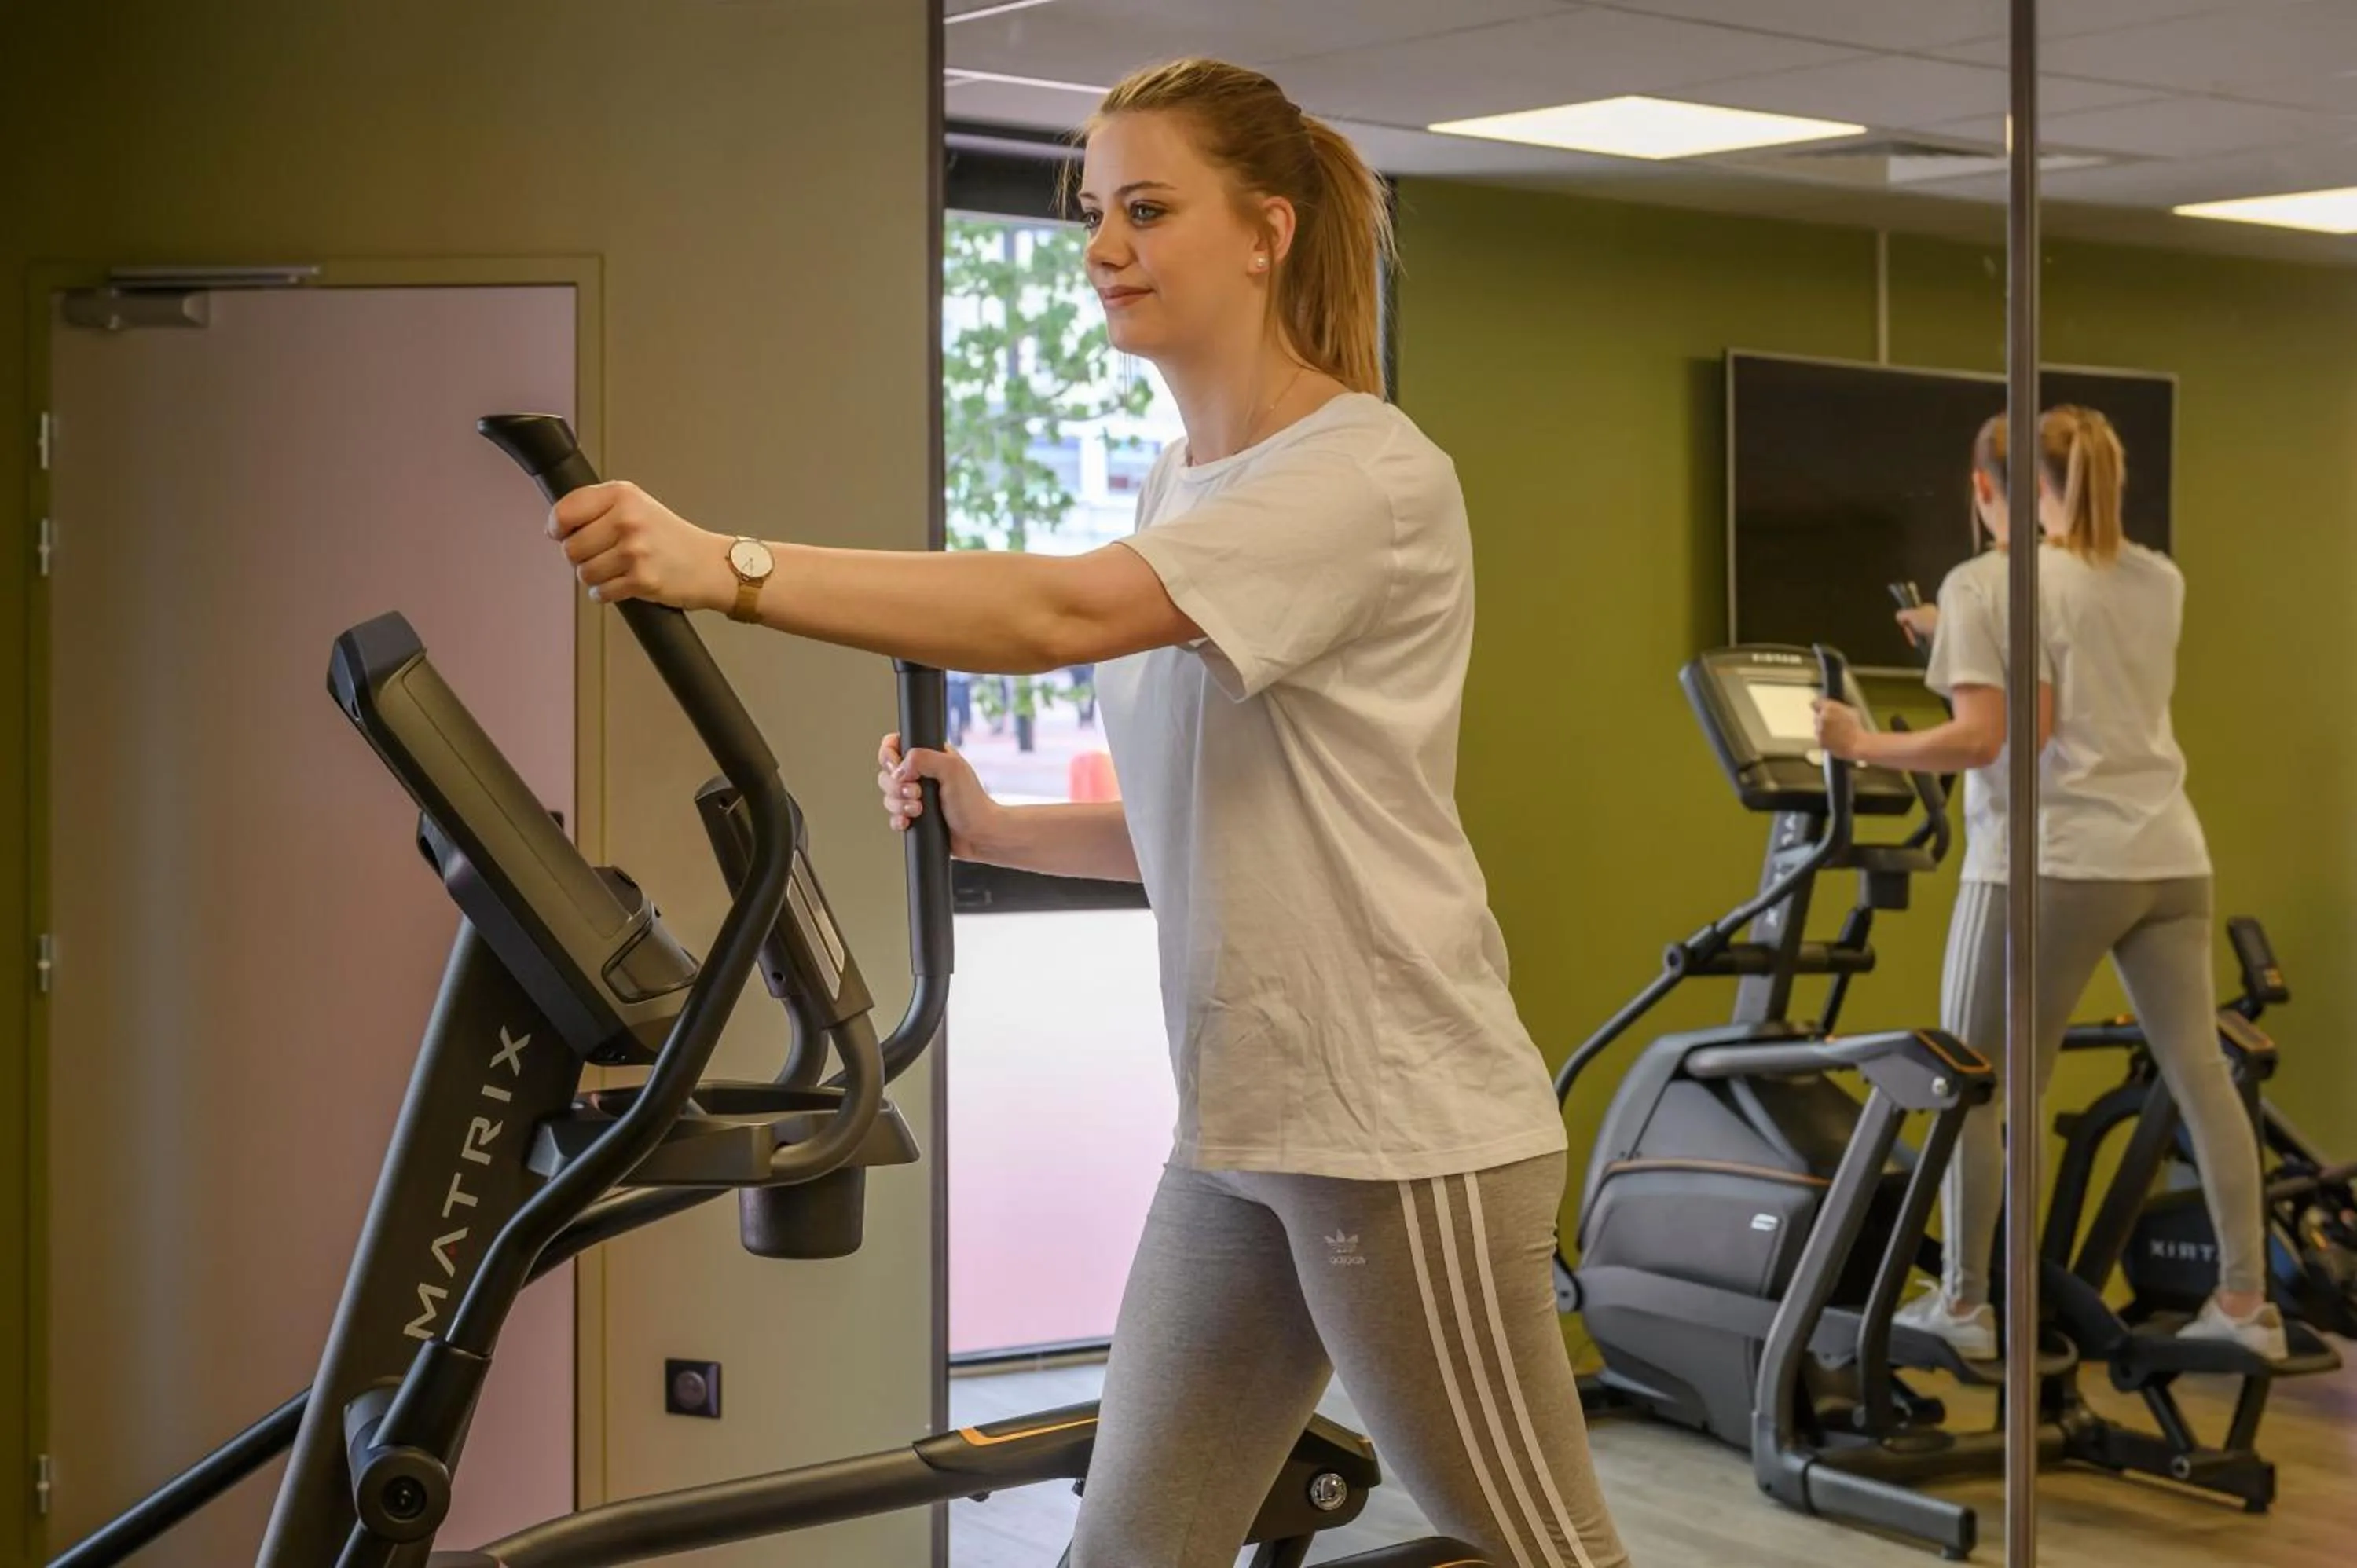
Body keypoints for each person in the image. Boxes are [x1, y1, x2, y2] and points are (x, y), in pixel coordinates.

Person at [544, 55, 1629, 1568]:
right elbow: (1214, 813)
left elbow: (1054, 613)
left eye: (1147, 210)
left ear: (1266, 231)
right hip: (1242, 1130)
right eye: (1091, 212)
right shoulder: (1182, 480)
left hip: (1398, 1134)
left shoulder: (1363, 474)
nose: (1103, 247)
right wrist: (999, 828)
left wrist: (727, 567)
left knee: (1538, 1551)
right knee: (1131, 1551)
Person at [1814, 405, 2282, 1362]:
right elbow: (2078, 643)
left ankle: (1965, 1304)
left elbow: (1993, 737)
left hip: (2050, 861)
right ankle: (2245, 1305)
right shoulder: (2157, 577)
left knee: (1976, 1087)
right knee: (2201, 1073)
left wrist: (1860, 742)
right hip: (2167, 857)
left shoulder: (1988, 582)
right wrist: (1958, 631)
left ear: (1989, 488)